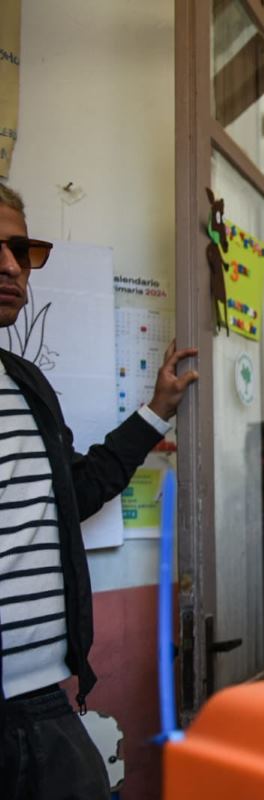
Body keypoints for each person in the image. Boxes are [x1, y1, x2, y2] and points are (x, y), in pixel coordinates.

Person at [0, 183, 198, 798]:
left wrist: (156, 411)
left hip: (46, 697)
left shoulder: (24, 384)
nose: (11, 266)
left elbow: (73, 495)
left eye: (19, 249)